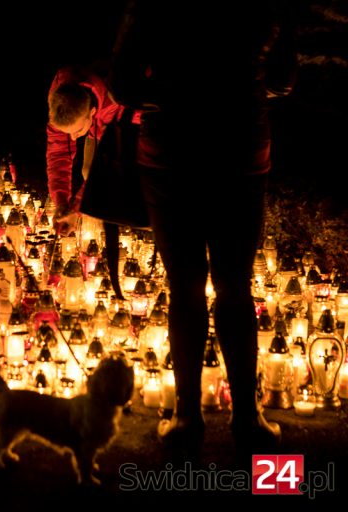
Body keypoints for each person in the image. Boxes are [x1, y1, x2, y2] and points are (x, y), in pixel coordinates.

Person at [110, 1, 297, 457]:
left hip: (171, 156)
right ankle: (248, 419)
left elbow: (122, 85)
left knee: (185, 285)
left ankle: (187, 417)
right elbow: (282, 80)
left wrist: (171, 96)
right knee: (235, 286)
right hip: (240, 151)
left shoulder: (154, 2)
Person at [45, 64, 129, 235]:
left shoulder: (114, 108)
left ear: (92, 112)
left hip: (134, 126)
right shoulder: (60, 105)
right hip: (96, 126)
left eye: (77, 131)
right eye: (68, 133)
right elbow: (58, 155)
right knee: (87, 173)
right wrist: (61, 202)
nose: (74, 138)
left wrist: (77, 208)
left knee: (99, 174)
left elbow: (106, 167)